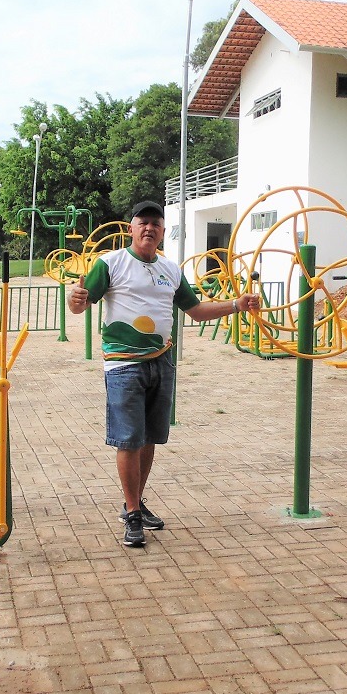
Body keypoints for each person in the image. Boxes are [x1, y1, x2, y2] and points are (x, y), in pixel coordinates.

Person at [68, 200, 260, 548]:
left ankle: (135, 502)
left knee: (150, 438)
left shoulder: (171, 269)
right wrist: (75, 300)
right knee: (128, 439)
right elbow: (81, 304)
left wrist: (236, 304)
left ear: (162, 232)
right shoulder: (111, 263)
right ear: (131, 228)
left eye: (155, 224)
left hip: (162, 362)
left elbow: (196, 310)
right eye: (142, 222)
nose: (149, 228)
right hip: (124, 365)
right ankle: (131, 513)